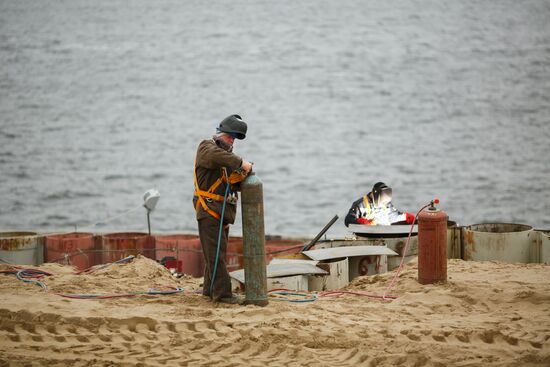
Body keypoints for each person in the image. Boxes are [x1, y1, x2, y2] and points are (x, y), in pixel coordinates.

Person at [193, 114, 252, 304]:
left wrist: (244, 173)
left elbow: (232, 181)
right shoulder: (206, 147)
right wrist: (240, 162)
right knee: (215, 256)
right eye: (229, 137)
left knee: (216, 255)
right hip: (208, 209)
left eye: (233, 139)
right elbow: (215, 156)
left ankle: (209, 291)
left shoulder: (225, 160)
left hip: (221, 212)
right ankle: (223, 295)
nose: (231, 142)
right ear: (220, 134)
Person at [344, 182, 415, 227]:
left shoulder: (386, 203)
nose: (384, 203)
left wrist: (405, 217)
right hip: (366, 236)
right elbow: (348, 220)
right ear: (376, 195)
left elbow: (394, 216)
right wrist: (361, 222)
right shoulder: (360, 205)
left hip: (383, 234)